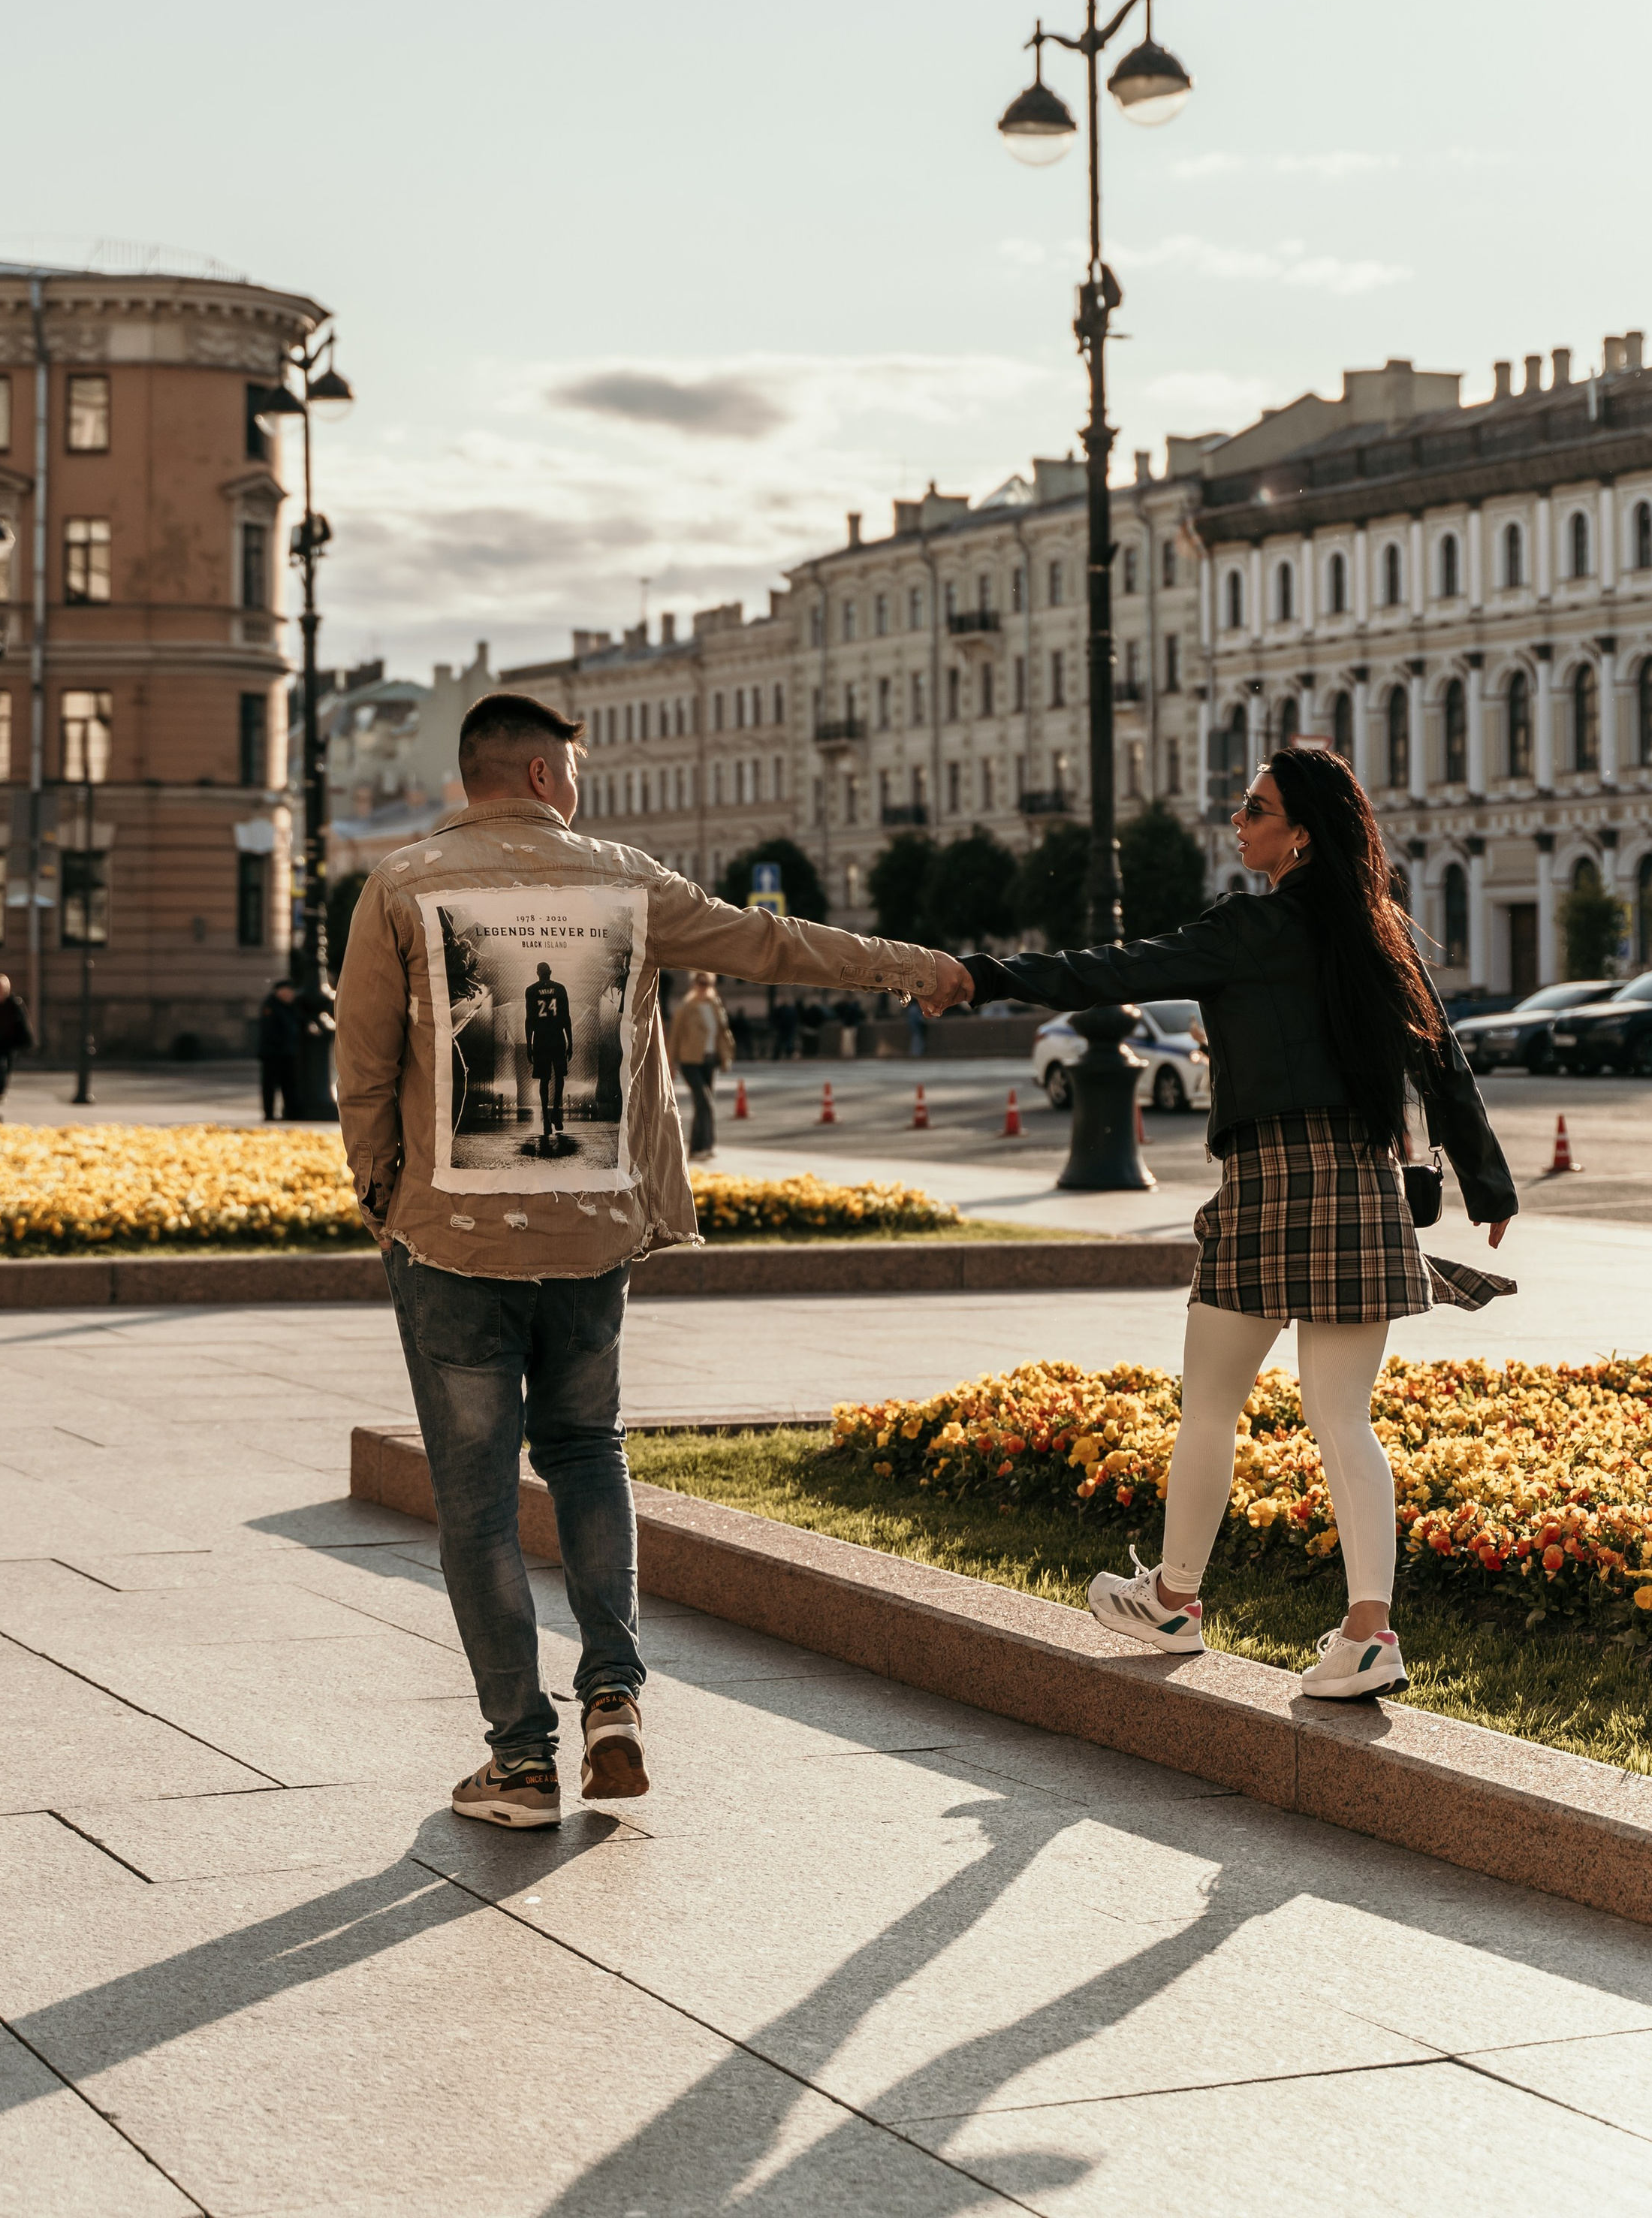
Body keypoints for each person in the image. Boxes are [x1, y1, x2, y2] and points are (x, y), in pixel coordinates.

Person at [335, 691, 963, 1830]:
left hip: (454, 1238)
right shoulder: (621, 881)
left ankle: (520, 1759)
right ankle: (613, 1697)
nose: (578, 791)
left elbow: (363, 1068)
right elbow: (772, 944)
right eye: (571, 771)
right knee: (586, 1449)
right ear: (536, 776)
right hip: (589, 1232)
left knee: (475, 1503)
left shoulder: (400, 885)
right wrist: (911, 965)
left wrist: (387, 1200)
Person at [940, 744, 1516, 1703]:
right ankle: (1370, 1632)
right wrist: (1487, 1185)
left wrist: (980, 975)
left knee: (1210, 1405)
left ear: (1298, 835)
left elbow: (1111, 969)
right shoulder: (1379, 936)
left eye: (1254, 809)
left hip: (1268, 1187)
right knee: (1344, 1417)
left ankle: (1173, 1600)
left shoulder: (1247, 929)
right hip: (1362, 1184)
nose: (1237, 823)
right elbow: (1442, 1062)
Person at [666, 971, 733, 1159]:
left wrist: (726, 1056)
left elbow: (722, 1032)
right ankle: (699, 1147)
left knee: (704, 1103)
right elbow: (675, 1036)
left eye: (706, 983)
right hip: (690, 1061)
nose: (703, 986)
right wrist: (670, 1063)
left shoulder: (714, 1005)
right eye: (699, 983)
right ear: (694, 984)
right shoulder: (686, 1006)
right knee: (704, 1101)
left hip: (710, 1060)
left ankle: (704, 1146)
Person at [524, 959, 573, 1150]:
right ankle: (556, 1113)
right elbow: (566, 1017)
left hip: (542, 1039)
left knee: (544, 1079)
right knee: (560, 1076)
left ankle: (545, 1116)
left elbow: (529, 1019)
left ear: (538, 973)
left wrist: (529, 1044)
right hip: (557, 1038)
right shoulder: (560, 989)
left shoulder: (531, 990)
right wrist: (570, 1041)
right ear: (550, 972)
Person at [0, 970, 32, 1101]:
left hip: (10, 1040)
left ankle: (2, 1088)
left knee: (7, 1066)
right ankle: (0, 1090)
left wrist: (26, 1038)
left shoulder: (14, 1003)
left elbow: (22, 1021)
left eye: (1, 987)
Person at [257, 979, 303, 1121]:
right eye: (288, 992)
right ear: (280, 992)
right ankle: (269, 1114)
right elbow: (270, 1031)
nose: (291, 995)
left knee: (289, 1085)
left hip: (287, 1052)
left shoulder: (290, 1006)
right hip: (273, 1053)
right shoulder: (270, 1006)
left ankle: (291, 1113)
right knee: (270, 1085)